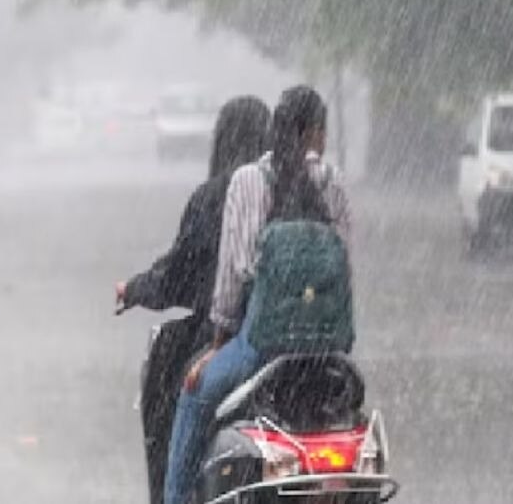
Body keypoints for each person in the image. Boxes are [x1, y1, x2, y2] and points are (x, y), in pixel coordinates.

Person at [162, 85, 352, 504]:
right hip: (326, 352)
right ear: (318, 133)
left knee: (193, 397)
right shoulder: (333, 182)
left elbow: (235, 274)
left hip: (260, 343)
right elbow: (344, 264)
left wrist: (217, 343)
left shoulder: (249, 181)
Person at [116, 96, 271, 504]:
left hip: (228, 337)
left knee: (172, 381)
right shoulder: (292, 193)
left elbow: (179, 276)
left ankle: (173, 493)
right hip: (293, 342)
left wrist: (136, 288)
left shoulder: (216, 195)